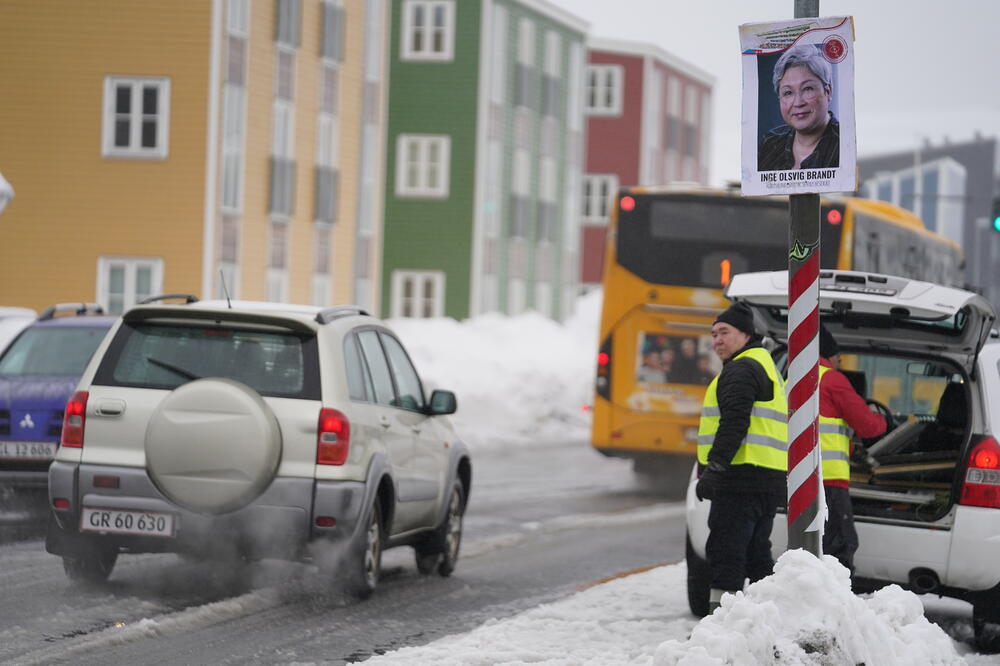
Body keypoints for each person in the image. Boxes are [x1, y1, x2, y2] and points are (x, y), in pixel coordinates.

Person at [694, 302, 788, 614]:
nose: (716, 340)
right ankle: (770, 619)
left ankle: (721, 623)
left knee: (726, 551)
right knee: (756, 554)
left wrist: (715, 469)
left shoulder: (741, 369)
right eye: (713, 334)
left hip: (740, 479)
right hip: (766, 479)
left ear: (746, 335)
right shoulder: (765, 364)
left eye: (724, 332)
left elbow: (735, 422)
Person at [817, 324, 887, 575]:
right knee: (841, 544)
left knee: (814, 541)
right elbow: (868, 426)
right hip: (830, 477)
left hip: (798, 476)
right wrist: (885, 423)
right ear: (829, 356)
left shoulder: (792, 378)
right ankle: (836, 598)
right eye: (838, 358)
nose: (839, 363)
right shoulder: (831, 379)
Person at [757, 43, 840, 171]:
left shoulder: (844, 144)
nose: (798, 103)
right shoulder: (770, 143)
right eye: (788, 93)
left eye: (807, 89)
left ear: (828, 91)